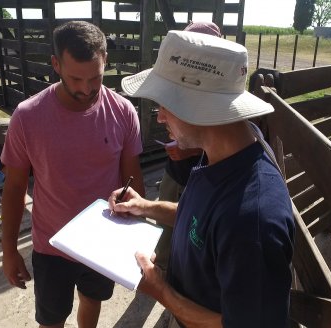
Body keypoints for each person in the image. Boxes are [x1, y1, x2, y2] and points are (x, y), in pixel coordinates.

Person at [110, 30, 295, 327]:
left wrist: (161, 291)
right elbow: (200, 222)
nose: (159, 117)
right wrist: (145, 206)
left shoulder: (253, 220)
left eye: (165, 104)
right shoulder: (217, 158)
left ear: (197, 104)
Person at [0, 21, 145, 328]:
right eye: (75, 78)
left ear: (105, 58)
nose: (86, 89)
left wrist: (136, 237)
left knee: (92, 301)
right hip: (51, 246)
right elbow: (13, 188)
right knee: (51, 319)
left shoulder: (123, 112)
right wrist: (9, 250)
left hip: (103, 243)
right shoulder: (27, 117)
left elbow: (134, 182)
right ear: (56, 64)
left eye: (95, 77)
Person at [155, 21, 221, 271]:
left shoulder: (207, 96)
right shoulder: (186, 89)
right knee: (168, 229)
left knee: (190, 234)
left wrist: (191, 149)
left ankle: (173, 275)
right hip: (176, 171)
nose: (161, 117)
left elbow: (216, 141)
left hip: (196, 174)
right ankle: (162, 266)